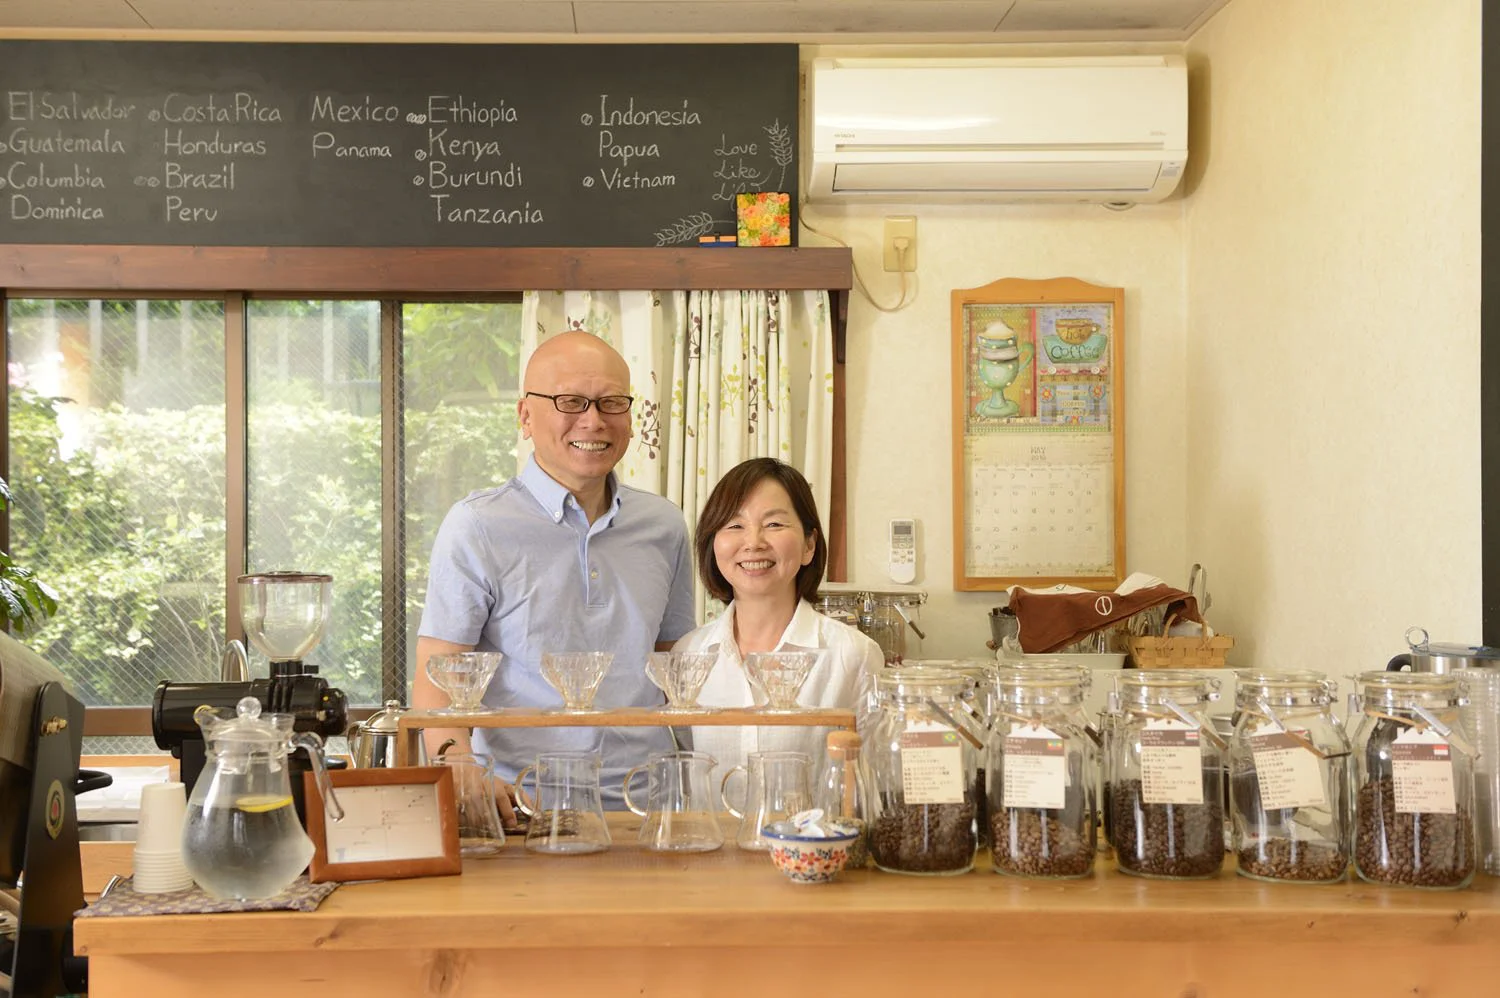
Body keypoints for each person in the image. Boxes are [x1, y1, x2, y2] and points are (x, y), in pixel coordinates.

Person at [415, 331, 696, 821]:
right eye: (571, 401)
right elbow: (438, 669)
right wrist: (456, 765)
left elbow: (675, 664)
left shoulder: (664, 524)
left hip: (649, 805)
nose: (594, 420)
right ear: (525, 416)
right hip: (520, 807)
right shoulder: (478, 525)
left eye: (612, 402)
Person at [674, 457, 881, 780]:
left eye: (774, 524)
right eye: (734, 525)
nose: (753, 542)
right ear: (713, 544)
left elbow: (871, 781)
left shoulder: (853, 654)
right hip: (710, 833)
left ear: (809, 545)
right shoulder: (687, 655)